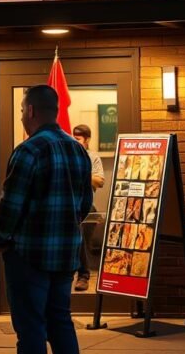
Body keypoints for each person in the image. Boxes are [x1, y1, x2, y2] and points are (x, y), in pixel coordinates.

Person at [0, 85, 93, 354]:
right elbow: (85, 204)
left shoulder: (28, 151)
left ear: (30, 110)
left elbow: (11, 208)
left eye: (21, 110)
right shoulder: (78, 151)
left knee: (31, 328)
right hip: (65, 255)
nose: (21, 116)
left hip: (29, 256)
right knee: (61, 322)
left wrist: (0, 236)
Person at [70, 124, 105, 292]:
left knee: (82, 237)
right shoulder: (68, 155)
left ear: (87, 139)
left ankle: (83, 275)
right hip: (69, 204)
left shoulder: (93, 157)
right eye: (73, 139)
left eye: (78, 139)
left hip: (86, 205)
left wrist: (81, 174)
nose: (75, 142)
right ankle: (72, 273)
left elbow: (99, 181)